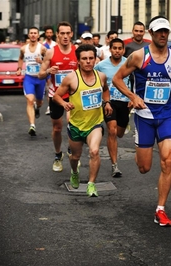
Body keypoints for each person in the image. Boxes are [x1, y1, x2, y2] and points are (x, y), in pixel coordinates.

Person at [113, 16, 171, 227]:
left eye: (166, 31)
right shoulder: (139, 56)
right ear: (151, 33)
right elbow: (117, 78)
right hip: (144, 117)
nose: (163, 35)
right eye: (158, 31)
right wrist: (133, 96)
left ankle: (160, 209)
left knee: (167, 161)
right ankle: (141, 149)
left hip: (167, 116)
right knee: (144, 167)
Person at [53, 44, 112, 197]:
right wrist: (64, 103)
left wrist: (107, 103)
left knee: (94, 151)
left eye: (91, 58)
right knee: (75, 157)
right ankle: (74, 172)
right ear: (78, 61)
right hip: (76, 125)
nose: (88, 62)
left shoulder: (101, 76)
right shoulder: (71, 78)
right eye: (84, 59)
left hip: (95, 124)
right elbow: (56, 96)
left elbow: (105, 90)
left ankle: (91, 184)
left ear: (95, 59)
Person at [38, 21, 78, 172]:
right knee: (57, 128)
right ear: (58, 35)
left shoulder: (77, 51)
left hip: (73, 95)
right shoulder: (51, 52)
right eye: (62, 33)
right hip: (55, 96)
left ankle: (72, 150)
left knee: (71, 123)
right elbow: (40, 74)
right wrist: (48, 71)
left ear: (72, 34)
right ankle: (57, 154)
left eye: (68, 33)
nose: (66, 36)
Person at [94, 38, 130, 177]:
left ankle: (124, 125)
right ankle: (115, 165)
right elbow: (93, 78)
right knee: (112, 131)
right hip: (109, 102)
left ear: (123, 50)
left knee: (119, 133)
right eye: (114, 48)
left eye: (119, 48)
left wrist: (133, 97)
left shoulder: (128, 63)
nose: (117, 51)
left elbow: (137, 80)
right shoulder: (101, 65)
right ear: (110, 49)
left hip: (125, 103)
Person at [16, 26, 47, 136]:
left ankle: (37, 108)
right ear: (28, 35)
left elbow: (49, 61)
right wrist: (19, 68)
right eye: (31, 33)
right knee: (30, 99)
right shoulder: (23, 49)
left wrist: (42, 61)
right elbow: (20, 58)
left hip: (40, 79)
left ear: (38, 35)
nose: (33, 35)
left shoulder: (42, 48)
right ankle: (32, 125)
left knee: (39, 102)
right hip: (29, 78)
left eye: (35, 33)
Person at [42, 25, 57, 115]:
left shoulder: (55, 44)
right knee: (48, 87)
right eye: (47, 32)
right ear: (45, 33)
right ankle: (49, 106)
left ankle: (52, 105)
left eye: (50, 32)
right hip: (46, 69)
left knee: (53, 87)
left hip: (54, 69)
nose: (49, 34)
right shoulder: (42, 45)